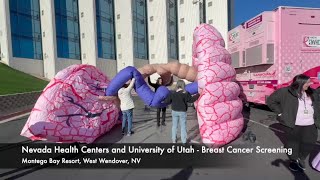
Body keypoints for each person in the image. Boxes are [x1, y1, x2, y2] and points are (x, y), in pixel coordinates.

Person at [267, 74, 320, 171]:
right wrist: (280, 113)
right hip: (292, 124)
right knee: (292, 144)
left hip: (310, 124)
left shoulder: (312, 92)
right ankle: (294, 160)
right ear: (300, 83)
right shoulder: (285, 92)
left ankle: (301, 157)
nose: (310, 83)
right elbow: (270, 101)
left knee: (309, 142)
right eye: (308, 82)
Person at [164, 80, 200, 144]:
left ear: (177, 85)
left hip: (174, 111)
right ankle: (184, 141)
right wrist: (198, 94)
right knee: (183, 126)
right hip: (182, 112)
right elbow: (191, 100)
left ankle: (174, 140)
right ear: (183, 85)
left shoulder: (173, 93)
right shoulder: (186, 93)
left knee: (174, 126)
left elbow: (167, 101)